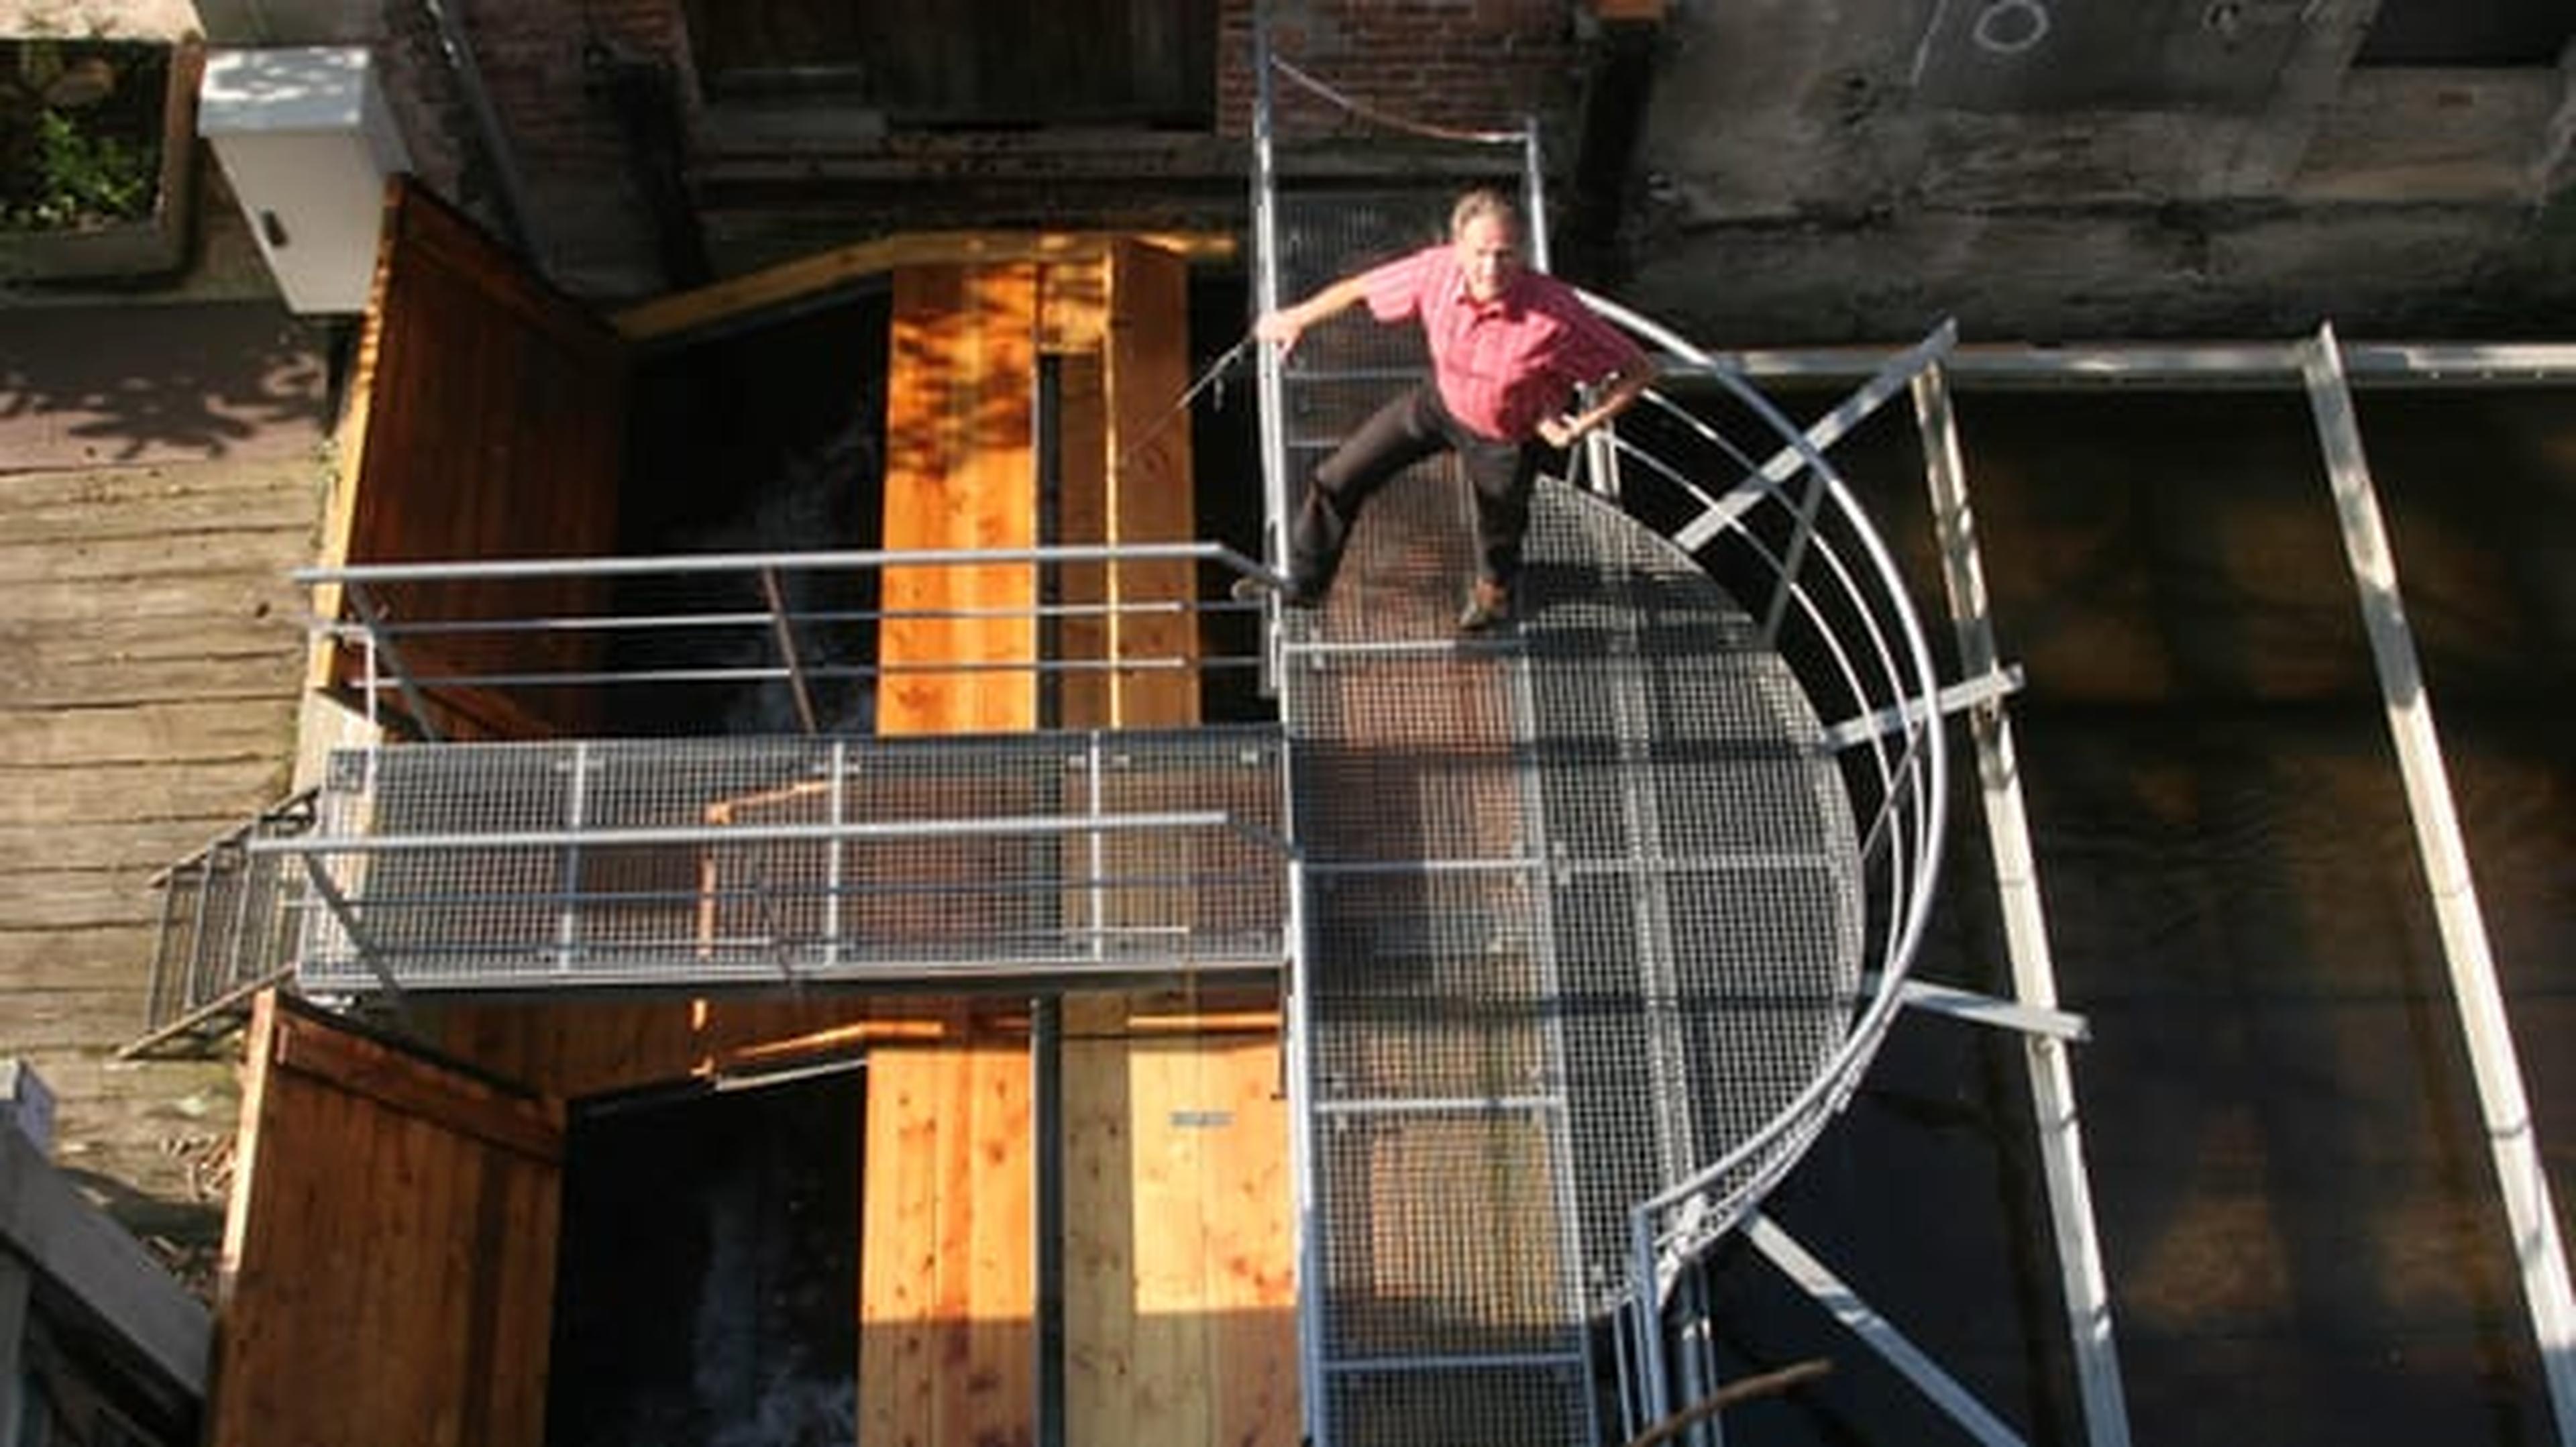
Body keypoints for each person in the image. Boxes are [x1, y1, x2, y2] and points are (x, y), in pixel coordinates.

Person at [1244, 187, 1658, 631]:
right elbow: (1358, 289)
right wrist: (1296, 318)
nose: (1491, 268)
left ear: (1522, 251)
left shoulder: (1556, 314)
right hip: (1439, 403)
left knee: (1499, 531)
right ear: (1458, 246)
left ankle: (1494, 593)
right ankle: (1306, 583)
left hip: (1505, 435)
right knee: (1336, 479)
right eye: (1480, 253)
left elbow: (1638, 369)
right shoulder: (1436, 271)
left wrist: (1583, 426)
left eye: (1505, 254)